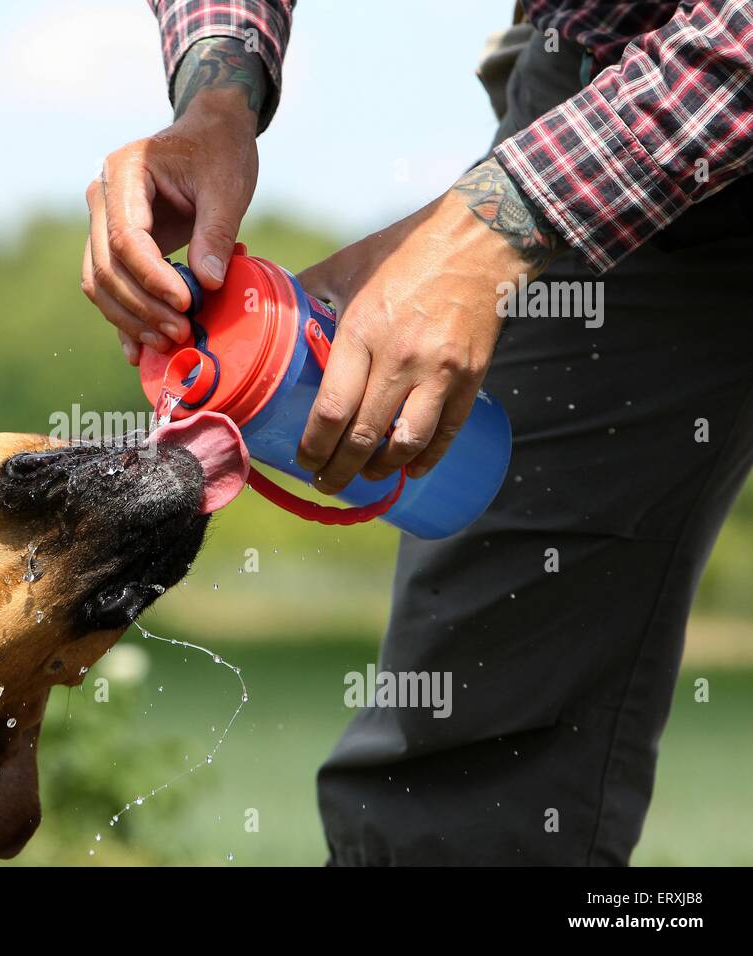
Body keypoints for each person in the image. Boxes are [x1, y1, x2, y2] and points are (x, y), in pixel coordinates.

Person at [82, 0, 753, 865]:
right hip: (614, 106)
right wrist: (217, 96)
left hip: (620, 128)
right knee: (467, 769)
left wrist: (489, 226)